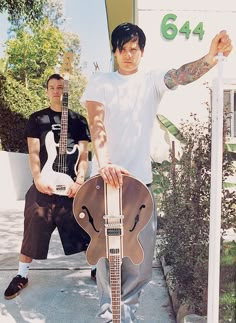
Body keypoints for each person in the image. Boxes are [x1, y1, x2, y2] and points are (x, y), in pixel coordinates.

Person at [80, 23, 232, 322]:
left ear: (142, 52)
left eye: (133, 49)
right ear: (115, 51)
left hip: (139, 184)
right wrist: (106, 163)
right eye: (122, 49)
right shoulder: (101, 82)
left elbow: (180, 75)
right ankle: (108, 314)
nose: (127, 55)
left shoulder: (151, 80)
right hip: (105, 184)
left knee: (139, 258)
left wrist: (210, 57)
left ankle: (127, 312)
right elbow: (96, 124)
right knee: (105, 255)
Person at [4, 73, 92, 300]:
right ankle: (21, 275)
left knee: (85, 225)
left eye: (60, 87)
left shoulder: (79, 121)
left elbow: (84, 155)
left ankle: (97, 269)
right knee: (33, 221)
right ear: (47, 91)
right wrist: (37, 179)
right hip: (45, 181)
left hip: (72, 185)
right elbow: (33, 153)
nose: (56, 91)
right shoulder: (36, 119)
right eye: (52, 87)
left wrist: (80, 180)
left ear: (66, 91)